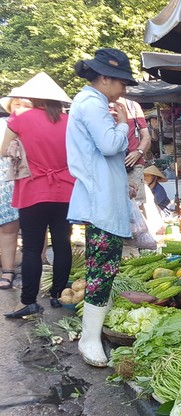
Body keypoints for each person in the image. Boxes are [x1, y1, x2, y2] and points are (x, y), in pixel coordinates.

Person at [66, 48, 138, 367]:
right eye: (121, 82)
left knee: (104, 267)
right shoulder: (92, 103)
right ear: (105, 78)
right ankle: (89, 340)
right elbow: (110, 145)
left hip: (102, 197)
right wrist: (123, 126)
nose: (124, 90)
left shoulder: (88, 103)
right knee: (102, 269)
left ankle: (92, 335)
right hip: (100, 202)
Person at [0, 72, 74, 317]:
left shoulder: (21, 119)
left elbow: (3, 151)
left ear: (33, 97)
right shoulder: (69, 121)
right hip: (65, 190)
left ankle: (28, 302)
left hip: (33, 190)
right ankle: (59, 294)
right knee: (62, 244)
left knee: (32, 248)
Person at [0, 95, 31, 290]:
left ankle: (41, 262)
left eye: (24, 104)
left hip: (33, 179)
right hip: (6, 181)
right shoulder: (3, 124)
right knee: (8, 228)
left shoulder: (38, 124)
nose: (19, 107)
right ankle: (8, 271)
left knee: (36, 227)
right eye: (16, 104)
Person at [121, 98, 151, 205]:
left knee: (137, 204)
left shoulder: (132, 106)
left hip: (133, 165)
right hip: (110, 166)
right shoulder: (100, 107)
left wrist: (139, 152)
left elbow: (146, 135)